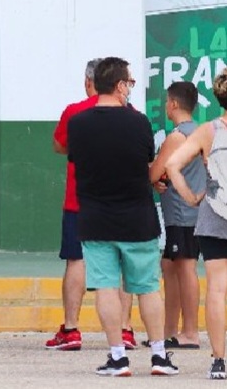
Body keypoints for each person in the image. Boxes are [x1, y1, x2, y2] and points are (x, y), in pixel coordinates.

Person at [67, 56, 177, 377]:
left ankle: (117, 357)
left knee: (105, 288)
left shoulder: (78, 123)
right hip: (137, 218)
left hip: (95, 218)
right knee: (147, 288)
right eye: (129, 82)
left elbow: (82, 163)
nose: (130, 88)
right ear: (118, 86)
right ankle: (158, 356)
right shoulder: (139, 122)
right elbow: (143, 165)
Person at [46, 58, 138, 352]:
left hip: (80, 199)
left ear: (90, 82)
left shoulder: (74, 113)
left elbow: (59, 146)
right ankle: (125, 330)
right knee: (123, 264)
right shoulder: (131, 113)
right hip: (122, 201)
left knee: (77, 261)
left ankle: (71, 329)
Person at [166, 68, 227, 379]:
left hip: (215, 213)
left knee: (217, 288)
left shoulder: (208, 130)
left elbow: (172, 165)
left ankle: (219, 360)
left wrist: (191, 197)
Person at [148, 81, 204, 349]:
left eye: (166, 101)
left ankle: (190, 332)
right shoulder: (200, 132)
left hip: (183, 214)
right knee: (170, 266)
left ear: (173, 104)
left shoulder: (177, 137)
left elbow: (154, 172)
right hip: (185, 213)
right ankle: (169, 330)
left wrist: (155, 176)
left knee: (186, 267)